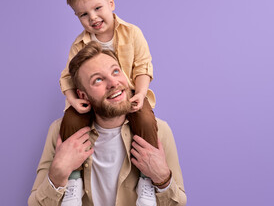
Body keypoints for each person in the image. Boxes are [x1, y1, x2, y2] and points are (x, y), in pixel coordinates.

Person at [28, 42, 186, 206]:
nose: (113, 83)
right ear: (83, 95)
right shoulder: (59, 131)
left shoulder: (160, 131)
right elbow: (34, 204)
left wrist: (162, 179)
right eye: (97, 80)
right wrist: (58, 174)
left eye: (115, 71)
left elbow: (179, 203)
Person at [58, 0, 158, 206]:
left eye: (97, 8)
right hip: (95, 102)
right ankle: (73, 181)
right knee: (70, 121)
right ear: (77, 17)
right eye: (83, 14)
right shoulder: (79, 45)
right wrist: (73, 100)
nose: (92, 17)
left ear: (111, 2)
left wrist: (140, 94)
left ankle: (146, 182)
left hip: (130, 97)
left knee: (145, 119)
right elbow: (67, 77)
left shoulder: (132, 33)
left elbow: (143, 67)